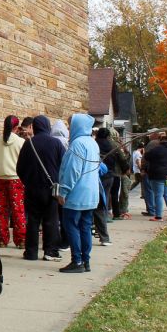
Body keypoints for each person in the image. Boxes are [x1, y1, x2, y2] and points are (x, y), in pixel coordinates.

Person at [56, 113, 101, 273]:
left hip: (76, 194)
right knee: (85, 227)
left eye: (70, 125)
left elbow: (72, 171)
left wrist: (63, 191)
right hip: (91, 194)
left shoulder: (77, 144)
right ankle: (86, 261)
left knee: (72, 226)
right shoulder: (92, 143)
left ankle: (77, 260)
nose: (69, 129)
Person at [16, 115, 64, 261]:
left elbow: (19, 168)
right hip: (51, 189)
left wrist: (28, 181)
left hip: (32, 188)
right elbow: (63, 166)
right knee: (51, 220)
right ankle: (50, 251)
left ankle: (31, 252)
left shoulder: (28, 144)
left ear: (34, 127)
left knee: (33, 221)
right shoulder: (56, 143)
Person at [0, 115, 26, 247]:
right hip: (16, 179)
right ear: (16, 127)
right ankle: (21, 240)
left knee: (0, 210)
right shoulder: (21, 142)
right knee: (18, 210)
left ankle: (2, 240)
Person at [142, 132, 167, 221]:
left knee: (158, 195)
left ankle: (158, 216)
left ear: (159, 140)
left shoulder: (156, 149)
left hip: (156, 174)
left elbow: (146, 157)